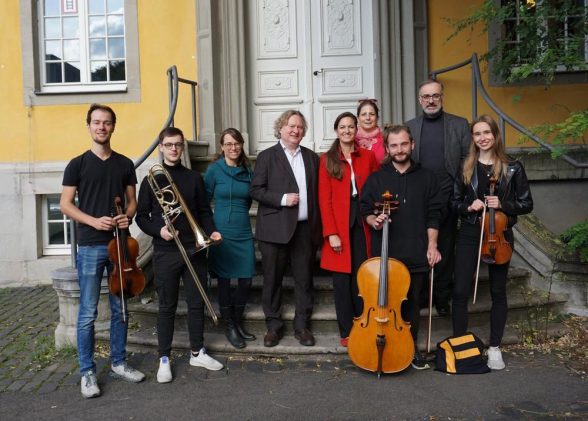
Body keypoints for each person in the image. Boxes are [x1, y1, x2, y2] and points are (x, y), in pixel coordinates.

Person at [60, 103, 145, 398]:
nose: (101, 127)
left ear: (113, 127)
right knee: (88, 312)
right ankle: (87, 372)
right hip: (90, 245)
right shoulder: (77, 164)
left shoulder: (124, 164)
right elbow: (65, 204)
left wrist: (127, 216)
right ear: (89, 126)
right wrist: (94, 221)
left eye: (106, 122)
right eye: (96, 122)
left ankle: (119, 362)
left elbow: (132, 202)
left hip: (120, 244)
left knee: (121, 307)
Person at [136, 127, 224, 384]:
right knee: (167, 306)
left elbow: (203, 211)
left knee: (196, 303)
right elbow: (141, 217)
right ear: (161, 147)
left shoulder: (194, 178)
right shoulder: (151, 180)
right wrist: (159, 230)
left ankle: (197, 352)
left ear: (182, 147)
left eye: (177, 144)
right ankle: (164, 357)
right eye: (169, 145)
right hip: (166, 251)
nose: (173, 149)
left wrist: (211, 231)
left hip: (194, 248)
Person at [451, 114, 533, 370]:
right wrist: (468, 206)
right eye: (477, 134)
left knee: (498, 291)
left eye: (487, 132)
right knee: (460, 291)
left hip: (500, 234)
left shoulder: (513, 167)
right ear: (473, 138)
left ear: (495, 135)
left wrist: (504, 204)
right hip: (471, 232)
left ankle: (495, 348)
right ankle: (460, 345)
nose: (482, 138)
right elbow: (453, 203)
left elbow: (526, 203)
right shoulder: (465, 166)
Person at [360, 124, 443, 370]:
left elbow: (434, 215)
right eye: (394, 145)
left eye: (404, 144)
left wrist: (432, 246)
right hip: (386, 254)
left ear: (412, 145)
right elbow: (365, 210)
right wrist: (374, 220)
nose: (399, 149)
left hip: (416, 250)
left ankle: (409, 349)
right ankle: (381, 347)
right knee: (385, 304)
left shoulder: (427, 177)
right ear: (387, 148)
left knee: (412, 305)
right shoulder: (377, 179)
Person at [250, 110, 322, 347]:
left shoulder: (312, 157)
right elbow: (256, 190)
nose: (295, 130)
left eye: (300, 127)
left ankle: (302, 326)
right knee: (272, 279)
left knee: (304, 279)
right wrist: (282, 199)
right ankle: (273, 326)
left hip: (304, 230)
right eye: (291, 126)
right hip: (274, 229)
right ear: (280, 128)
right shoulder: (266, 156)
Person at [406, 79, 470, 317]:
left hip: (448, 196)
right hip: (419, 198)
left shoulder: (459, 125)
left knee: (445, 247)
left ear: (442, 97)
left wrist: (459, 191)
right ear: (419, 99)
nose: (430, 100)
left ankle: (442, 297)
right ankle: (422, 295)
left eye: (435, 96)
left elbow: (467, 160)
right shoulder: (410, 126)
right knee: (420, 248)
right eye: (426, 96)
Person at [318, 112, 379, 347]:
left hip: (363, 221)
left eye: (351, 126)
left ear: (356, 130)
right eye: (342, 127)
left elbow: (376, 187)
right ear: (336, 130)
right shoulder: (327, 159)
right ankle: (346, 331)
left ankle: (364, 325)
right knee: (341, 280)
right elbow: (324, 199)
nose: (347, 131)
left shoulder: (368, 156)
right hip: (338, 222)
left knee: (361, 276)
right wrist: (331, 233)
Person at [204, 128, 256, 349]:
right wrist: (209, 229)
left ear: (242, 145)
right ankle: (229, 326)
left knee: (246, 279)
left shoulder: (248, 171)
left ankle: (237, 320)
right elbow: (203, 201)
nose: (233, 147)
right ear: (222, 147)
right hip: (221, 231)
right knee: (224, 280)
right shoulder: (214, 170)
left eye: (237, 143)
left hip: (243, 230)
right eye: (228, 144)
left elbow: (250, 199)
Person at [355, 99, 386, 165]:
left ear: (377, 118)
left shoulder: (386, 138)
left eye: (372, 114)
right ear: (358, 118)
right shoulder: (351, 139)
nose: (368, 118)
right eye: (363, 114)